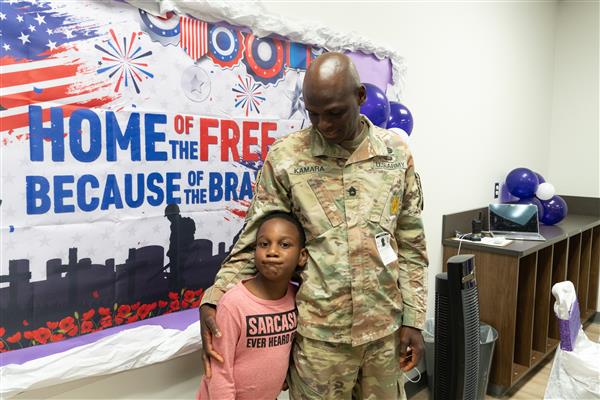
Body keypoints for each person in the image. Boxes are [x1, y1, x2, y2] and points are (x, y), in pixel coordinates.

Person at [200, 52, 428, 399]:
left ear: (361, 97)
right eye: (314, 114)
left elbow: (411, 242)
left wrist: (414, 318)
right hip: (321, 340)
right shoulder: (288, 158)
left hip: (384, 332)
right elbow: (256, 237)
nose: (324, 125)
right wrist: (215, 297)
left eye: (335, 112)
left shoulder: (396, 154)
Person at [197, 212, 308, 400]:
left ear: (302, 256)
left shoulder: (297, 298)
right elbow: (219, 372)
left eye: (285, 244)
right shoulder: (233, 304)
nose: (272, 251)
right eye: (264, 244)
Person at [164, 203, 196, 290]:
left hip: (183, 255)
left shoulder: (181, 224)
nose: (168, 218)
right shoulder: (178, 224)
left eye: (168, 216)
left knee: (179, 277)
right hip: (179, 255)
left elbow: (177, 241)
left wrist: (173, 253)